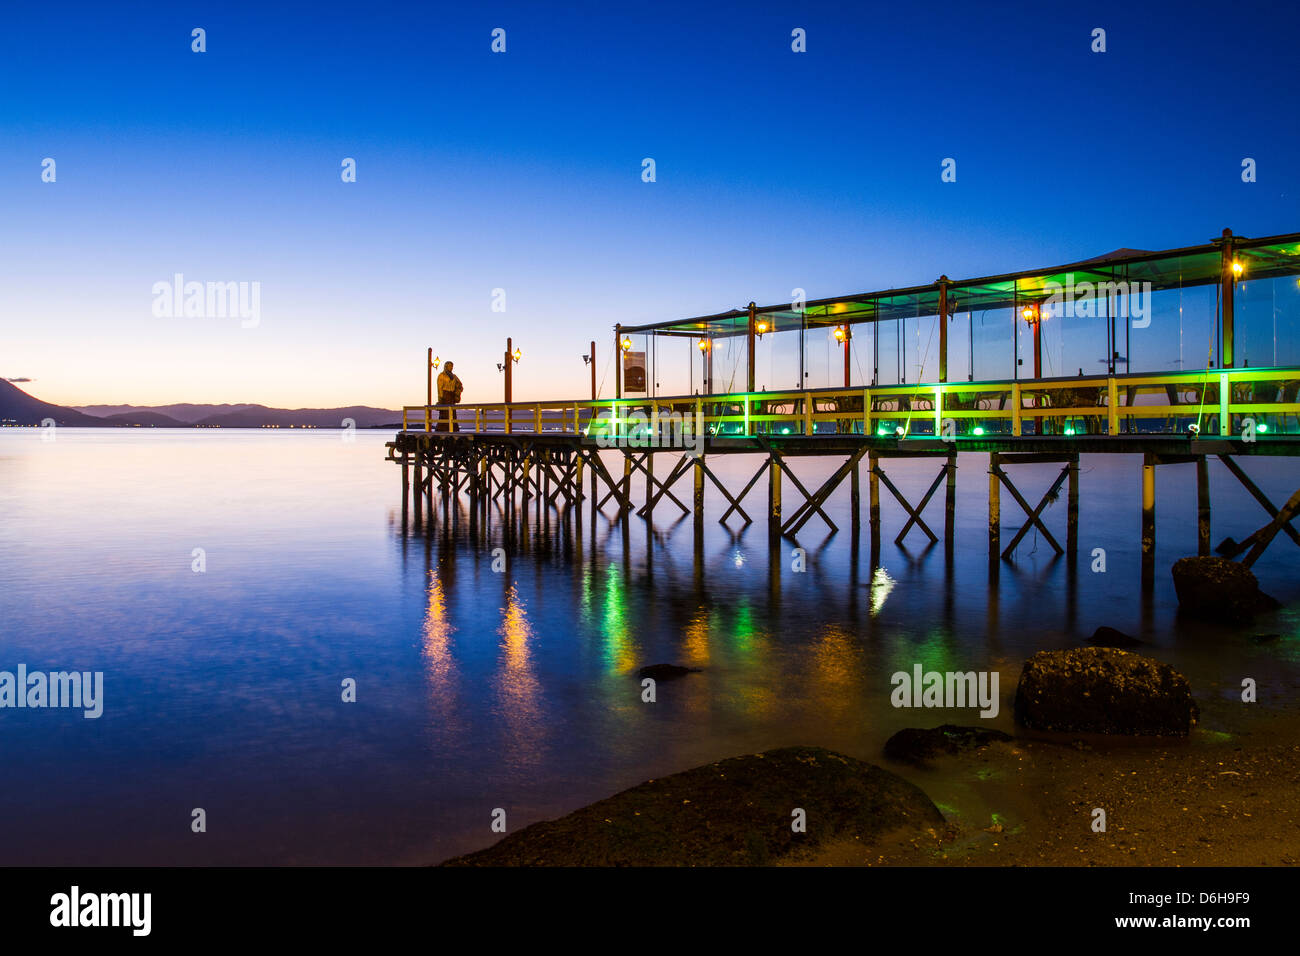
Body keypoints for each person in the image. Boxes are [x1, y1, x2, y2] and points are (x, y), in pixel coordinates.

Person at [436, 362, 463, 432]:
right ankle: (442, 429)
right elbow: (439, 388)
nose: (451, 367)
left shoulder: (454, 376)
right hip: (445, 396)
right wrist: (440, 398)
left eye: (452, 366)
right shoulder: (441, 375)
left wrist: (457, 391)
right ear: (446, 366)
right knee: (445, 413)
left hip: (452, 397)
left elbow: (460, 384)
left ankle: (453, 429)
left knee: (452, 414)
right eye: (450, 366)